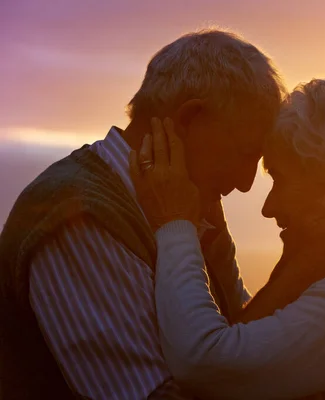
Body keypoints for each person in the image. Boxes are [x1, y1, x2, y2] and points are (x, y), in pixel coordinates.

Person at [0, 29, 286, 399]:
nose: (246, 183)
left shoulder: (188, 205)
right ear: (189, 119)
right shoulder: (78, 215)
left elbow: (237, 346)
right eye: (245, 153)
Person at [132, 75, 325, 399]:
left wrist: (174, 222)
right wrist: (296, 268)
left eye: (281, 180)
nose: (268, 208)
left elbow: (204, 363)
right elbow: (245, 338)